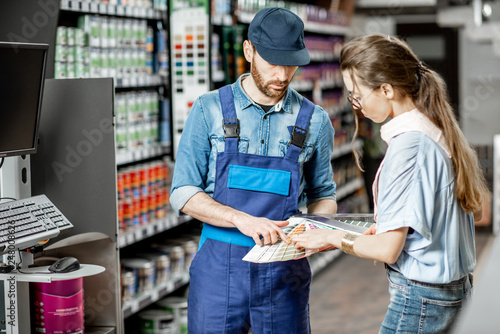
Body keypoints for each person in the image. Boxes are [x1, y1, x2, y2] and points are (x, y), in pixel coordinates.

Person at [291, 33, 489, 334]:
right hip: (452, 294)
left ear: (385, 89)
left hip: (422, 301)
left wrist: (328, 238)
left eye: (357, 95)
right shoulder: (434, 130)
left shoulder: (409, 149)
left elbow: (387, 250)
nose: (356, 106)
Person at [169, 7, 337, 333]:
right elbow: (183, 192)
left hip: (283, 270)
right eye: (273, 61)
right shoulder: (209, 109)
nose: (282, 74)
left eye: (291, 64)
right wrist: (241, 220)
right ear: (249, 51)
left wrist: (315, 225)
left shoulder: (315, 121)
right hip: (219, 270)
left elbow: (324, 194)